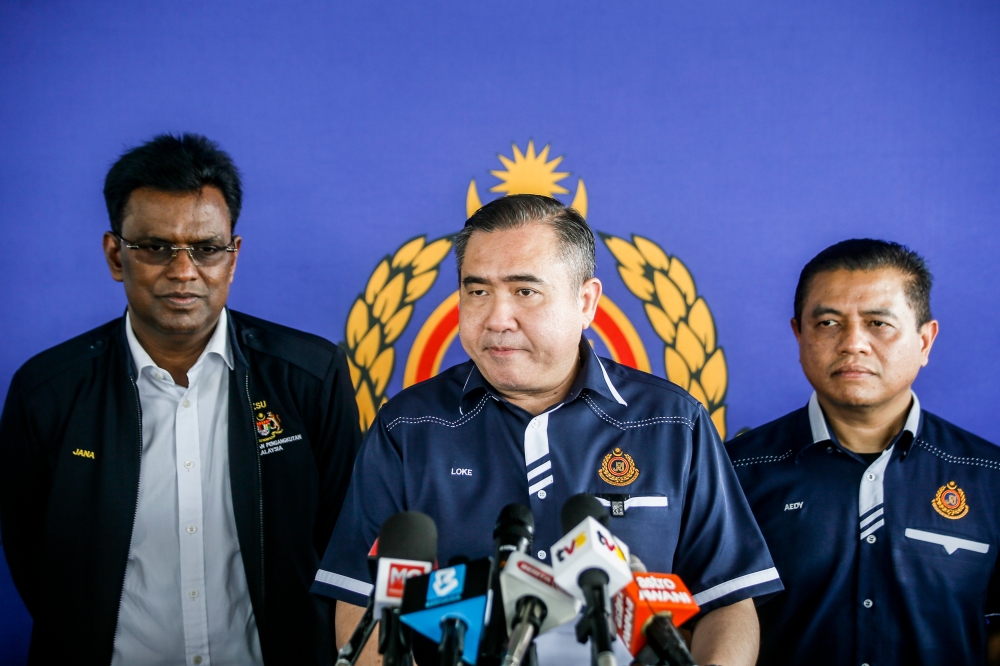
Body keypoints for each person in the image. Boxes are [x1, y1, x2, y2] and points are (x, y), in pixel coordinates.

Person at [314, 194, 783, 666]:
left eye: (524, 291)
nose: (496, 318)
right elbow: (361, 600)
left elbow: (727, 602)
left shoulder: (672, 423)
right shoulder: (408, 426)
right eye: (477, 291)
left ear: (586, 302)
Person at [0, 133, 362, 665]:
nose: (184, 271)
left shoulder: (309, 375)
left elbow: (344, 543)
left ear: (232, 257)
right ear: (115, 255)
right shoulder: (48, 391)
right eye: (155, 247)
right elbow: (37, 564)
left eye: (206, 248)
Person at [726, 239, 1000, 666]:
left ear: (925, 341)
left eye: (877, 323)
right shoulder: (734, 472)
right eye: (829, 323)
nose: (853, 343)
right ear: (799, 334)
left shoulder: (990, 476)